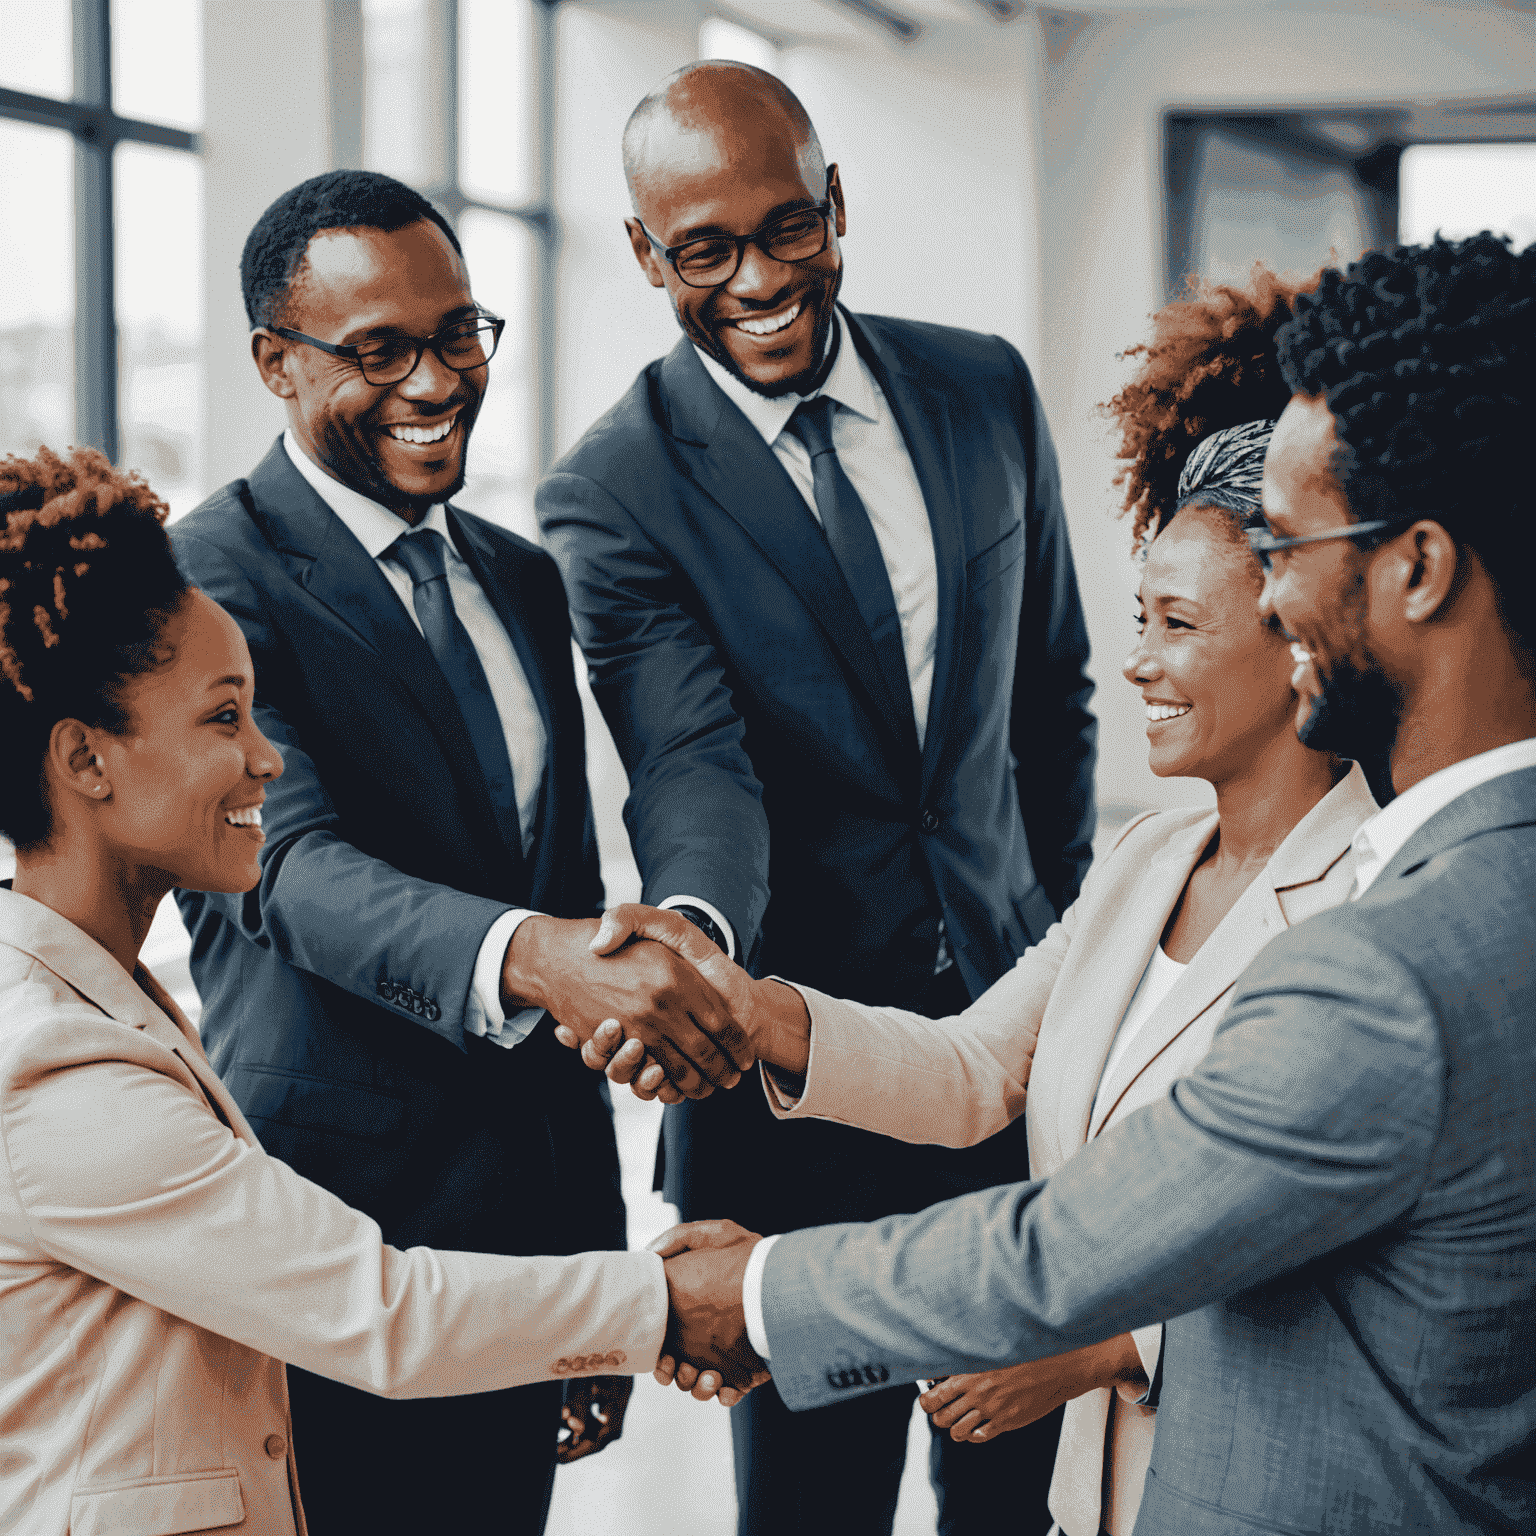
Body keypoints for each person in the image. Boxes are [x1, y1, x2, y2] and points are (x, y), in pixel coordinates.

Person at [646, 233, 1536, 1533]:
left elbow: (1064, 1252)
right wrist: (758, 1011)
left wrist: (753, 1295)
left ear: (1418, 566)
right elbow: (977, 1072)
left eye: (1288, 551)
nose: (1280, 598)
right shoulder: (1176, 866)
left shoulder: (1389, 962)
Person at [536, 62, 1095, 1534]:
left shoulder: (983, 386)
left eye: (790, 229)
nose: (761, 281)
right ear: (648, 255)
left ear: (837, 204)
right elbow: (691, 761)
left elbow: (1054, 699)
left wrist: (1080, 953)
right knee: (814, 1513)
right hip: (786, 1087)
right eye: (706, 252)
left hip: (1013, 1047)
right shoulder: (614, 490)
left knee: (1018, 1490)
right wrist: (701, 945)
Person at [168, 171, 751, 1534]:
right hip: (335, 1238)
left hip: (520, 1244)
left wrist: (586, 1275)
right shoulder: (208, 582)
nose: (439, 380)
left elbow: (546, 887)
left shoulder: (515, 573)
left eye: (461, 334)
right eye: (381, 350)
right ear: (276, 362)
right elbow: (287, 869)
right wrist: (548, 961)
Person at [0, 447, 704, 1536]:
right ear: (87, 762)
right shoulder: (50, 1069)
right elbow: (386, 1314)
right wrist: (666, 1304)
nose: (270, 762)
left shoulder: (93, 986)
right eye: (225, 719)